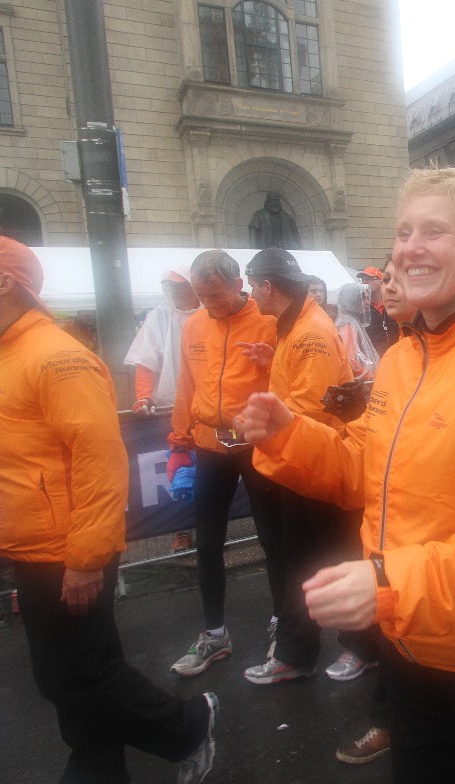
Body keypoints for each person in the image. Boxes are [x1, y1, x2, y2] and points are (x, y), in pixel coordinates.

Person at [240, 166, 455, 784]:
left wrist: (388, 582)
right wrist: (291, 434)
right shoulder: (400, 359)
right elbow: (364, 470)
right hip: (411, 642)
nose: (410, 248)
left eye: (434, 231)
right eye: (403, 232)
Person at [0, 234, 218, 784]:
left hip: (67, 548)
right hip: (37, 545)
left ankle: (188, 727)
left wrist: (87, 556)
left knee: (71, 675)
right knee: (83, 670)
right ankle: (97, 763)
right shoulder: (6, 349)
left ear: (5, 283)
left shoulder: (58, 356)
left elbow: (100, 460)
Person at [168, 250, 289, 678]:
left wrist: (271, 362)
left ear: (239, 285)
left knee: (273, 538)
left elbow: (292, 383)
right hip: (210, 444)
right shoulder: (193, 325)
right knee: (207, 542)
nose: (209, 305)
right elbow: (186, 384)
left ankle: (283, 623)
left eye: (217, 296)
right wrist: (178, 440)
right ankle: (215, 633)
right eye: (202, 296)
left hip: (256, 442)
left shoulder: (270, 321)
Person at [240, 248, 357, 684]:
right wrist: (271, 362)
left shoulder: (309, 331)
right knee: (306, 560)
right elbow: (301, 390)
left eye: (253, 286)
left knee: (329, 558)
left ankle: (357, 647)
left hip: (316, 464)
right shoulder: (294, 327)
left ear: (269, 286)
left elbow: (311, 408)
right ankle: (301, 652)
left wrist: (267, 429)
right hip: (302, 461)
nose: (252, 295)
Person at [332, 258, 419, 767]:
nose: (387, 286)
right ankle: (390, 720)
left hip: (443, 582)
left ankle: (390, 719)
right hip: (391, 555)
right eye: (384, 277)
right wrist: (285, 437)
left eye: (402, 274)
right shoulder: (398, 357)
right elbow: (362, 449)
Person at [124, 267, 199, 414]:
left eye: (182, 286)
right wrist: (144, 396)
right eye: (172, 286)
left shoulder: (210, 312)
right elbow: (146, 360)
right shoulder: (158, 316)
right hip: (168, 405)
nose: (176, 291)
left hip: (208, 402)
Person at [334, 282, 379, 379]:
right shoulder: (348, 324)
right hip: (360, 383)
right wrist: (368, 375)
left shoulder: (350, 321)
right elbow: (349, 360)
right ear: (351, 300)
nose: (367, 302)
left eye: (367, 298)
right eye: (363, 298)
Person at [358, 265, 399, 356]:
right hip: (374, 357)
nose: (364, 282)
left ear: (380, 282)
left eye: (368, 279)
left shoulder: (392, 304)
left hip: (397, 354)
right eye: (362, 279)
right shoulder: (362, 309)